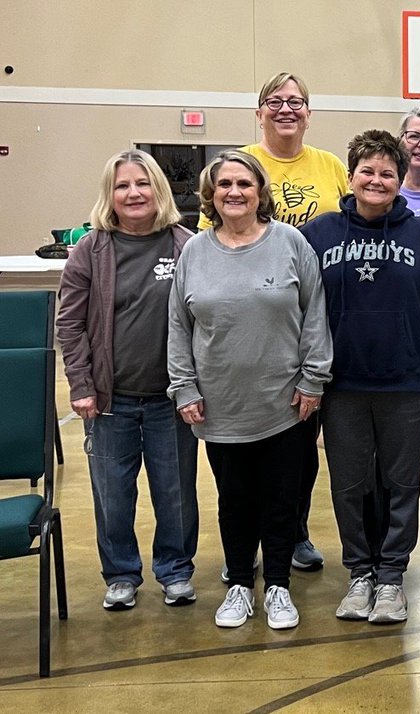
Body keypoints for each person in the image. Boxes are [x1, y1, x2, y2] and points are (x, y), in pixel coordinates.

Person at [168, 150, 332, 630]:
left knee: (283, 498)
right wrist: (184, 388)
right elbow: (178, 327)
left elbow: (314, 314)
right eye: (224, 185)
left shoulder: (290, 242)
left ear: (261, 191)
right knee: (234, 498)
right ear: (211, 195)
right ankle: (240, 583)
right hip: (220, 404)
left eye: (244, 183)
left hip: (286, 401)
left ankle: (278, 586)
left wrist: (313, 379)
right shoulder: (194, 252)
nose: (234, 192)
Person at [199, 72, 348, 573]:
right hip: (251, 325)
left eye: (297, 101)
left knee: (300, 452)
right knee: (243, 459)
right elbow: (208, 247)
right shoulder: (239, 164)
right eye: (276, 101)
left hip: (311, 315)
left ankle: (292, 534)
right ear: (258, 110)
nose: (287, 109)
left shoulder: (330, 166)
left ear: (309, 112)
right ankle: (245, 547)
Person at [300, 130, 420, 624]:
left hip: (407, 382)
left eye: (387, 173)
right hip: (342, 385)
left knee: (402, 484)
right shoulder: (319, 233)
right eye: (368, 171)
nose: (377, 180)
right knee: (350, 484)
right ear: (351, 175)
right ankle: (360, 573)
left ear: (400, 180)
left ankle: (392, 578)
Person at [57, 150, 199, 611]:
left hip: (171, 401)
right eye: (123, 186)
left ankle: (175, 570)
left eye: (142, 183)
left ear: (158, 188)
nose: (133, 193)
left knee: (175, 495)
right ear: (110, 196)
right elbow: (70, 324)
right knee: (113, 497)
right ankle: (120, 574)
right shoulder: (91, 250)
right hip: (110, 402)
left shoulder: (187, 245)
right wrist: (80, 385)